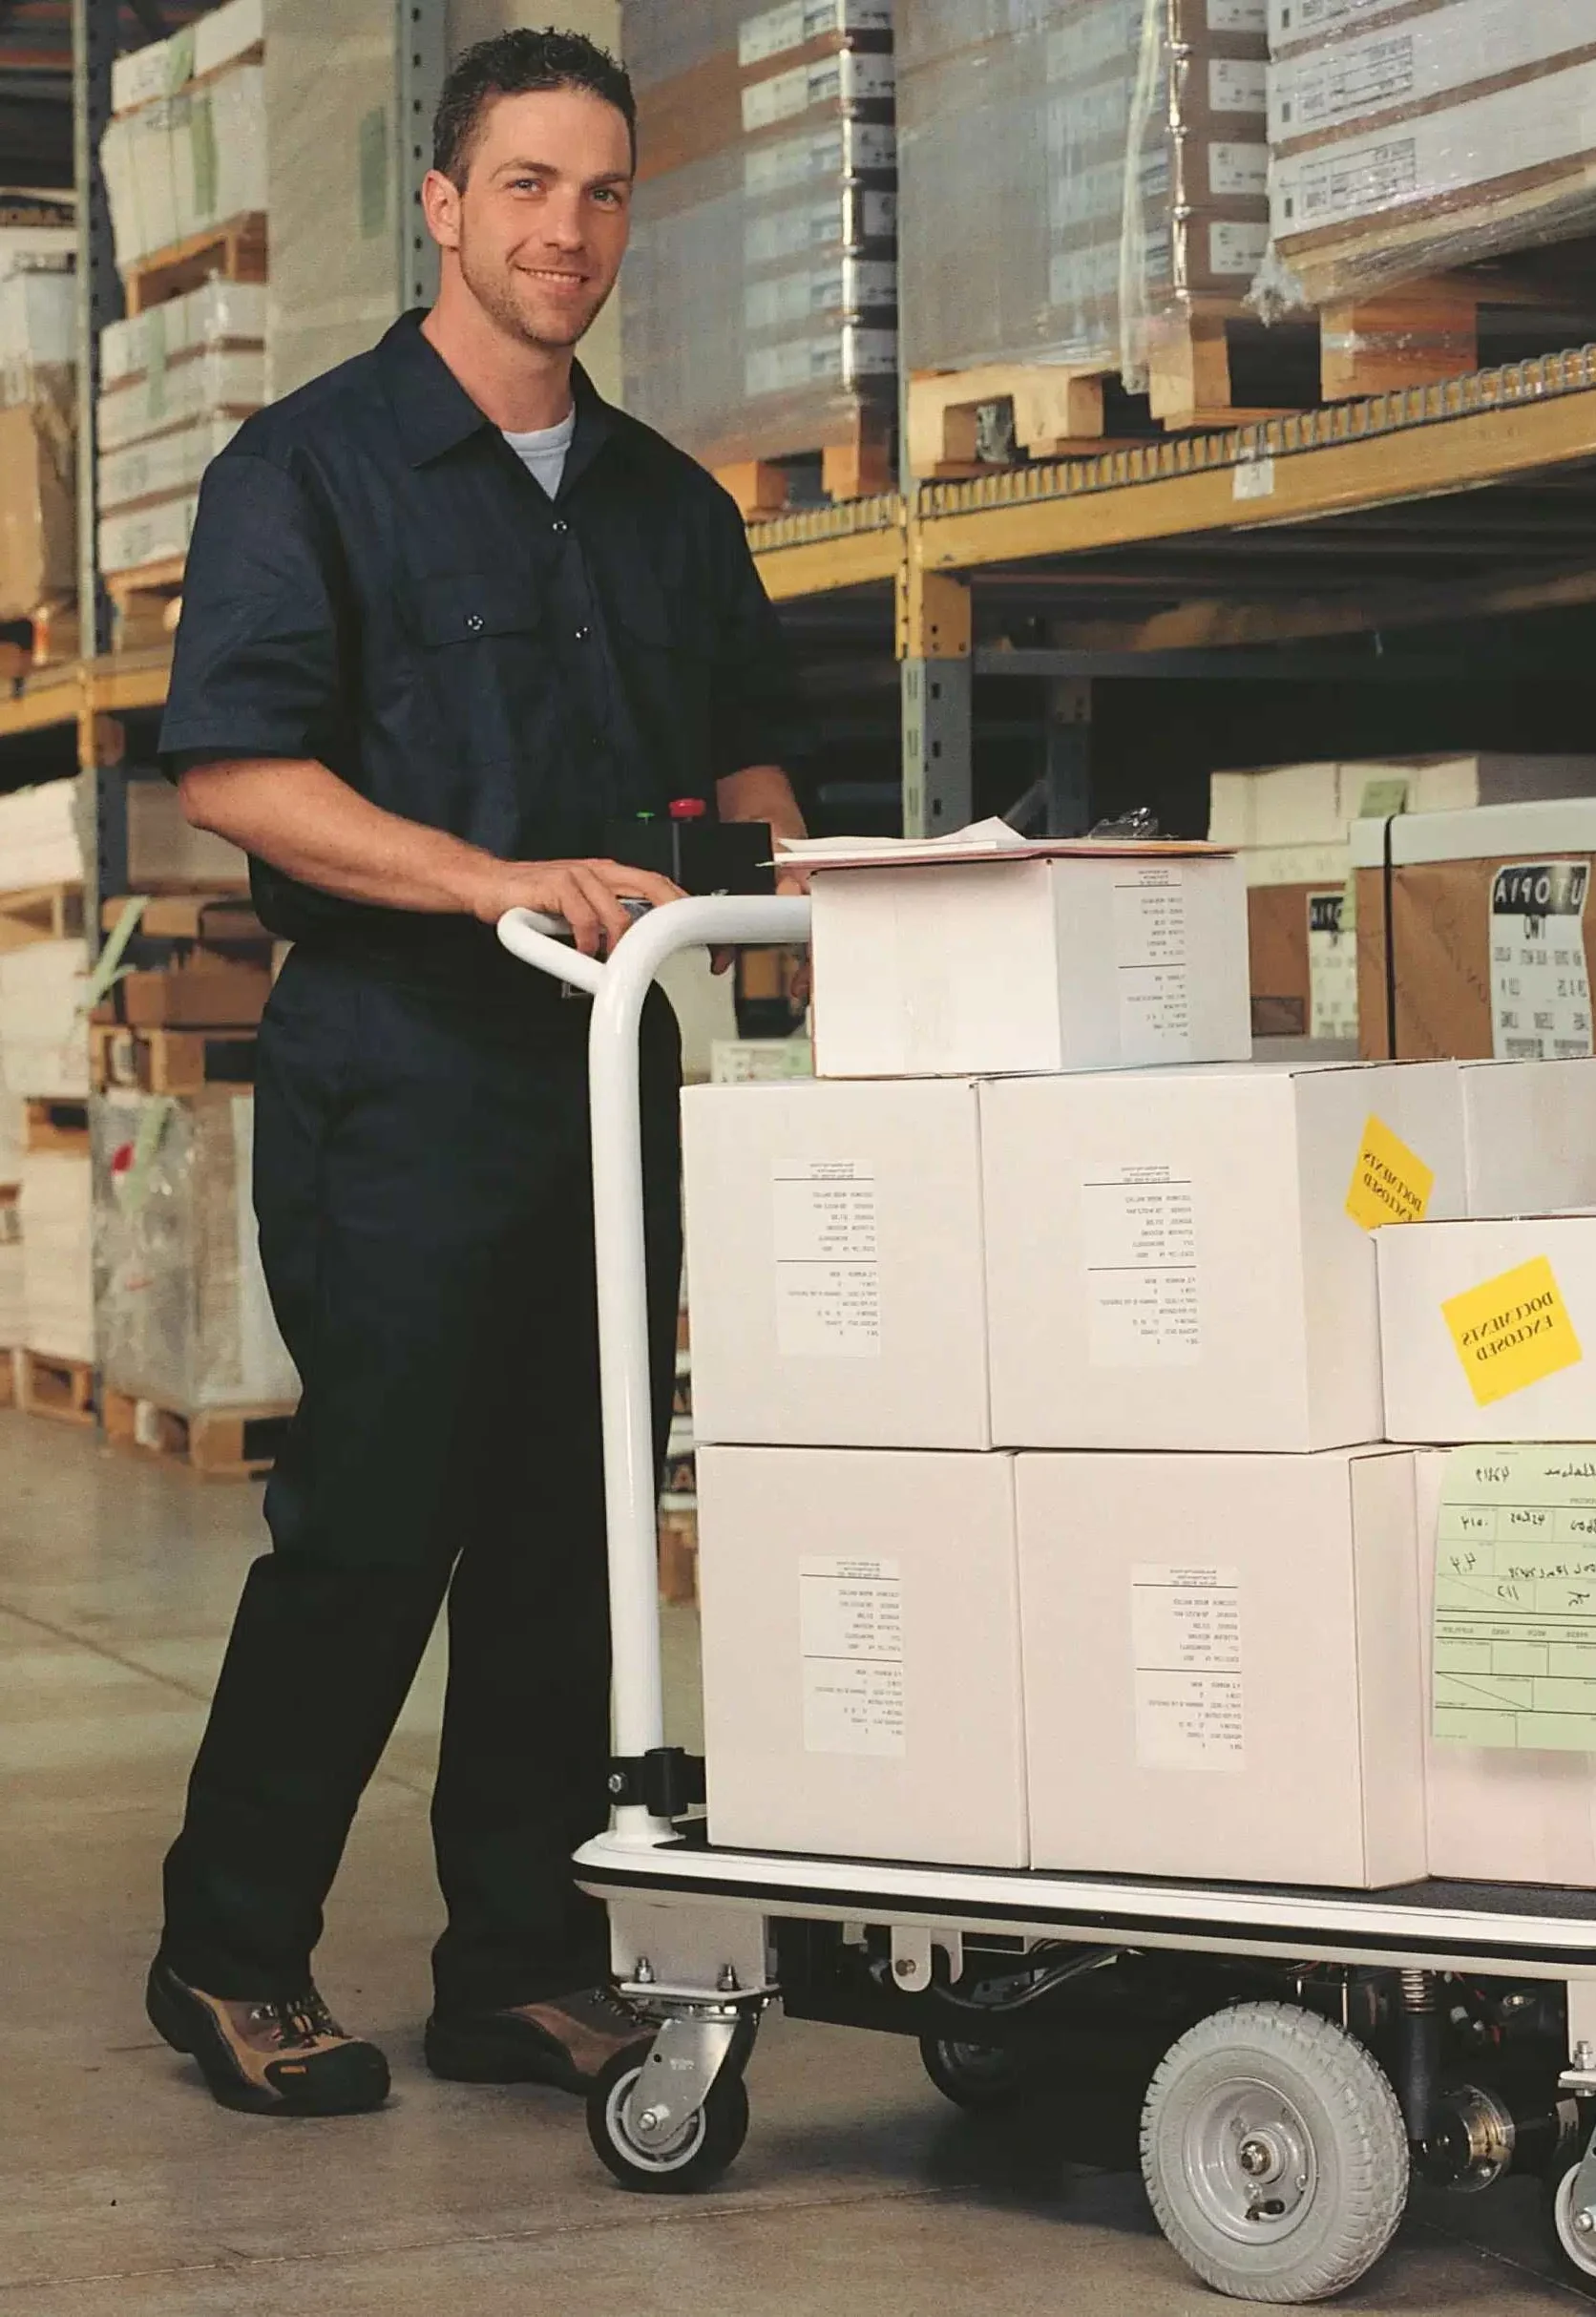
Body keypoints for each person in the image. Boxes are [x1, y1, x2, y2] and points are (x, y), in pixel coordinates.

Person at [144, 29, 806, 2117]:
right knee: (374, 1524)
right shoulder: (308, 470)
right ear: (441, 205)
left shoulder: (669, 506)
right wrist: (491, 878)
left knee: (574, 1528)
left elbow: (752, 754)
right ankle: (229, 1952)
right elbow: (247, 771)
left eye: (603, 193)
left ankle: (513, 1958)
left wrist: (822, 920)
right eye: (525, 186)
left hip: (615, 1080)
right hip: (398, 1076)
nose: (567, 232)